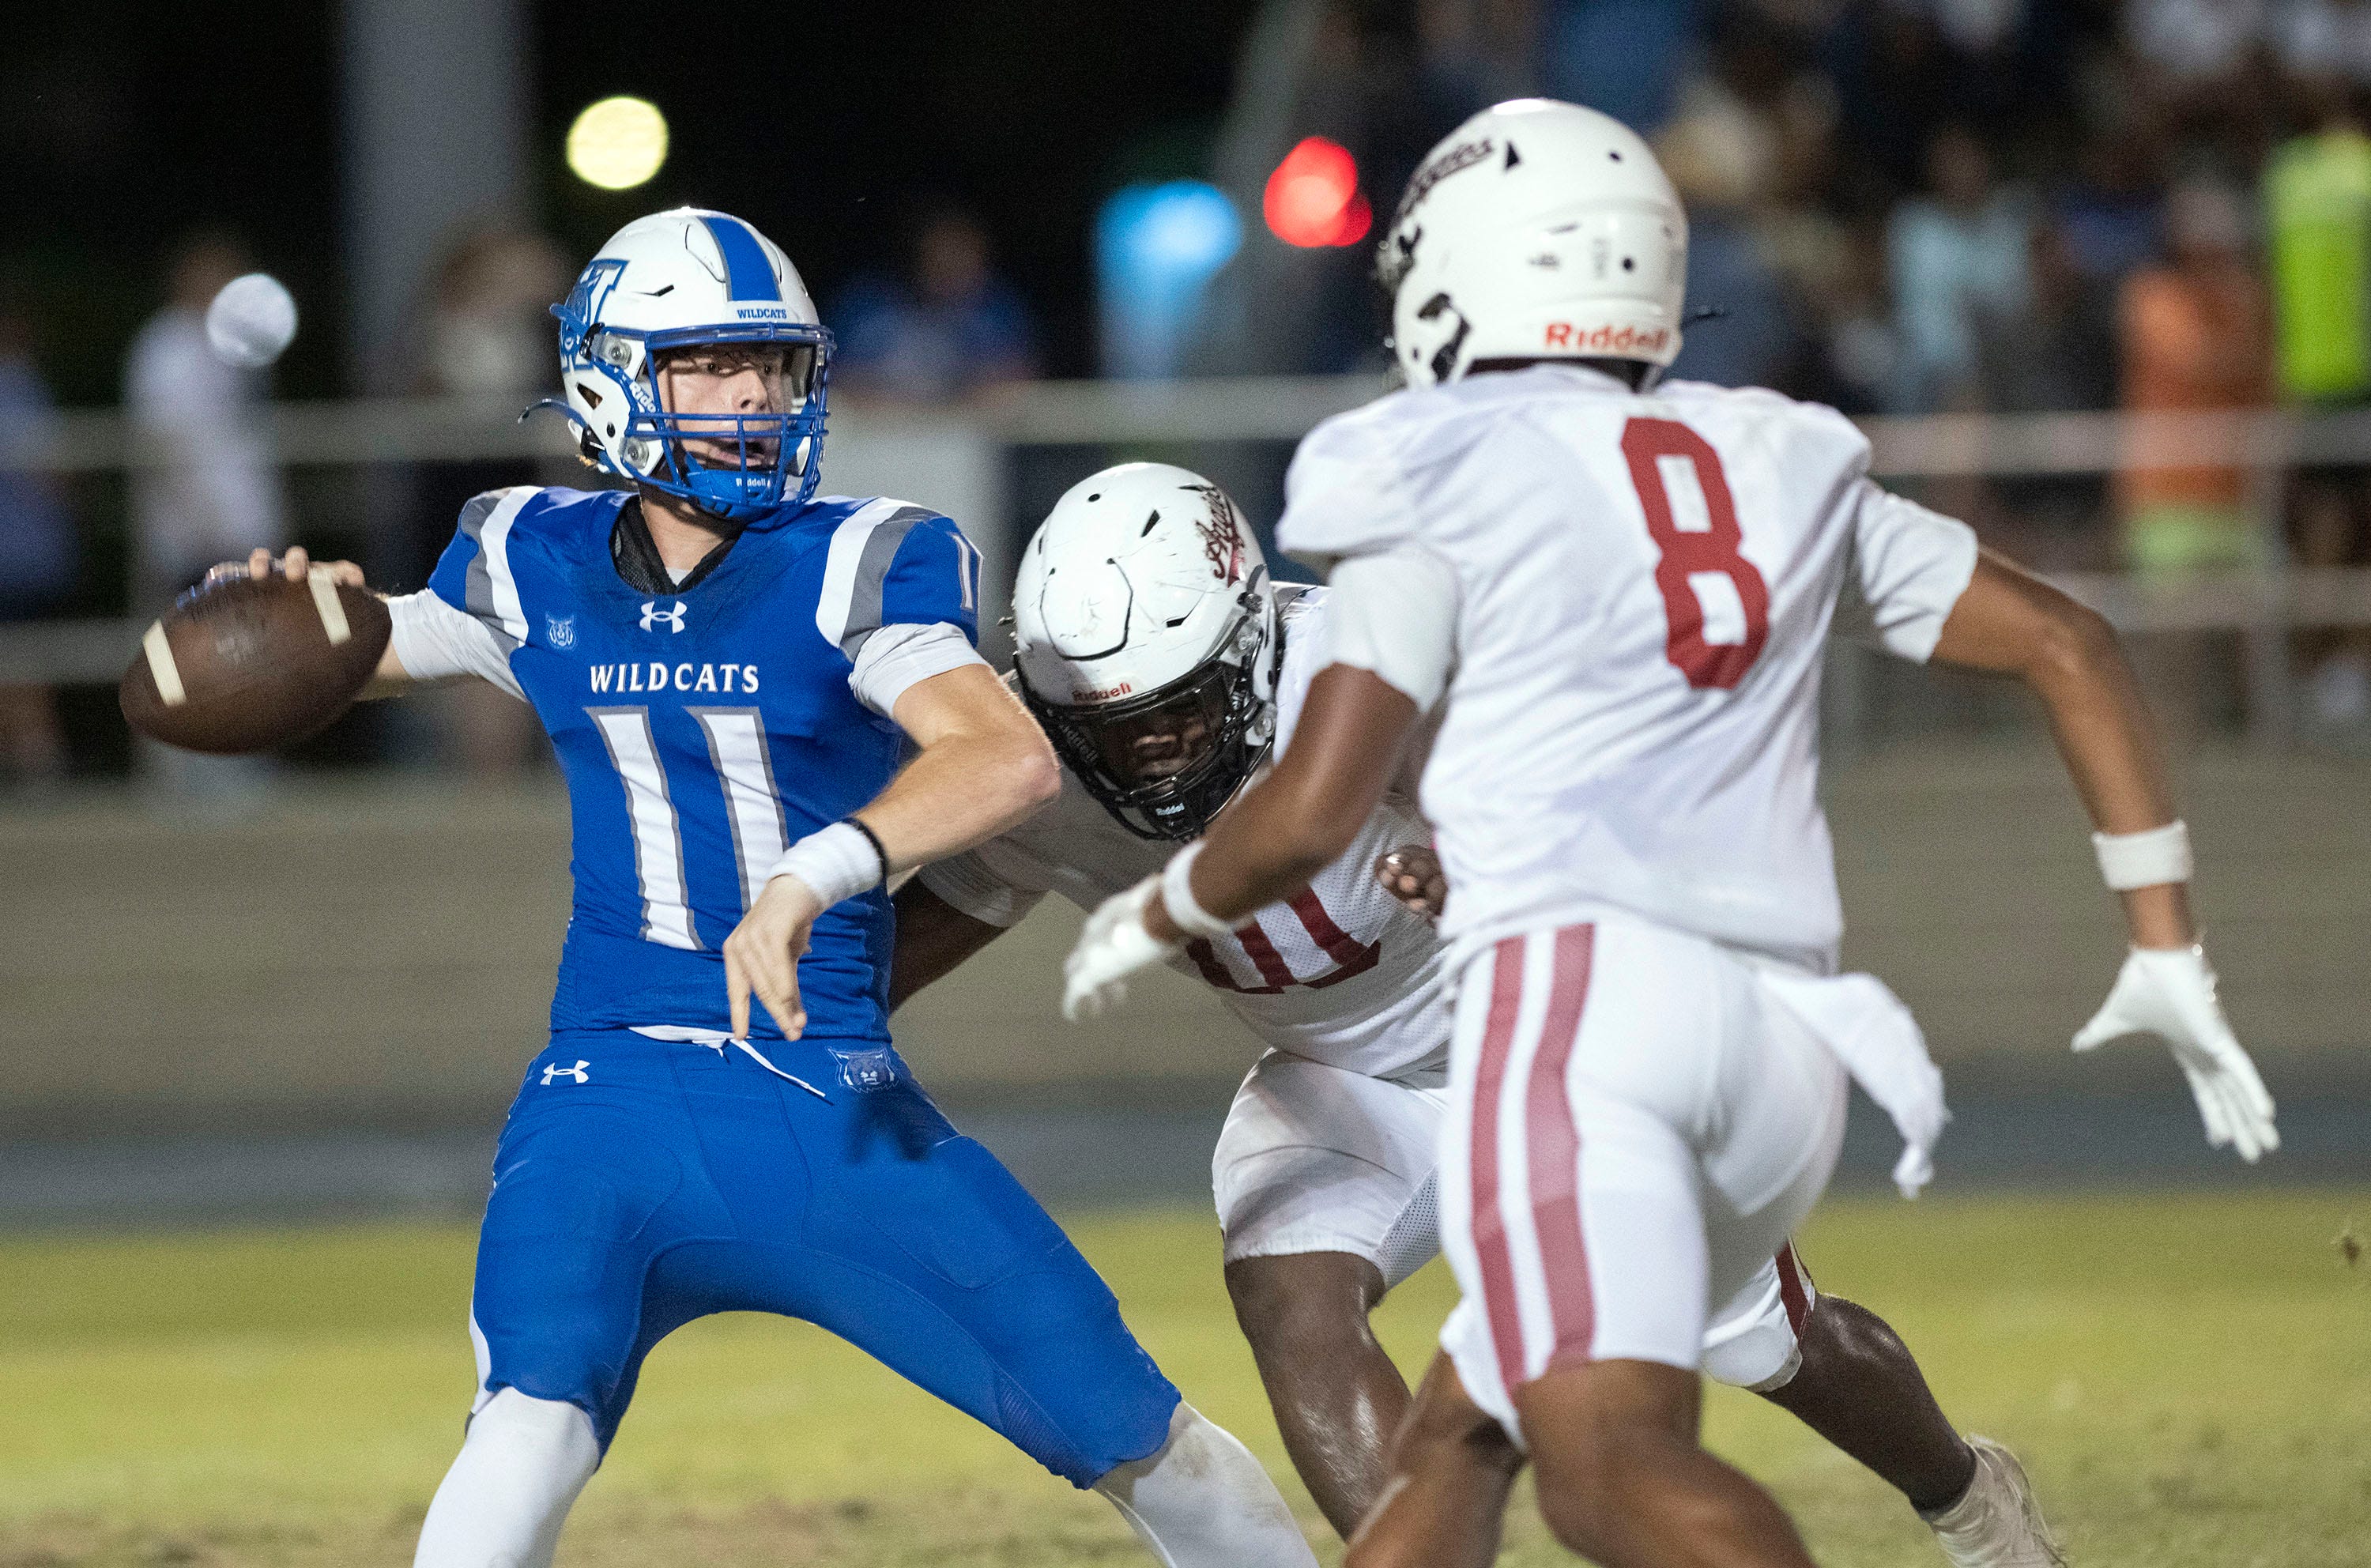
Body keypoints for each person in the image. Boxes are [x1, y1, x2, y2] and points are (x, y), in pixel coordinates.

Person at [1063, 100, 2278, 1567]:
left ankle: (1967, 1499)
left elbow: (1348, 775)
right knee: (1447, 1427)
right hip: (1650, 1006)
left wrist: (1166, 910)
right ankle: (1970, 1511)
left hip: (1590, 1024)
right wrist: (2162, 937)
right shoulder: (1772, 459)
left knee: (1632, 1439)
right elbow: (2071, 643)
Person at [216, 209, 1315, 1568]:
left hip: (820, 1097)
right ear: (613, 376)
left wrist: (820, 868)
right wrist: (288, 617)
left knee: (1150, 1445)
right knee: (527, 1422)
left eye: (769, 365)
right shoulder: (527, 555)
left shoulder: (857, 560)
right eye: (710, 366)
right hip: (602, 1100)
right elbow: (388, 641)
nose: (751, 397)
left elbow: (1005, 760)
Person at [895, 460, 2057, 1563]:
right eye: (1106, 725)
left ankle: (1965, 1497)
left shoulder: (1376, 668)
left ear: (1252, 641)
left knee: (1757, 1340)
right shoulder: (1032, 760)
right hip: (1350, 1076)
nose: (1144, 751)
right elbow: (930, 925)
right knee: (1289, 1289)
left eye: (1176, 709)